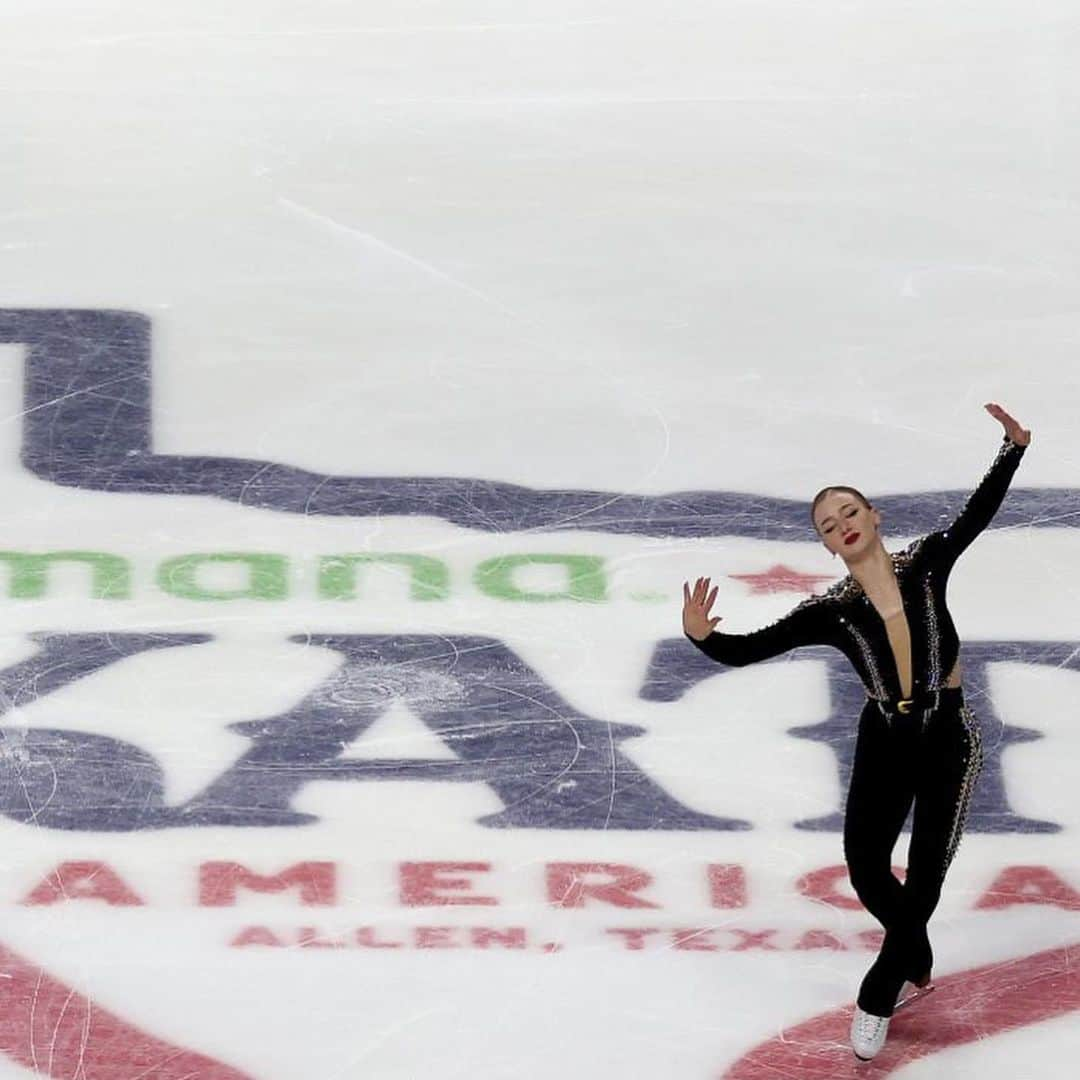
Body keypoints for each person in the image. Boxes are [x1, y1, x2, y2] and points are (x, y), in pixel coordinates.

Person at [681, 402, 1031, 1061]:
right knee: (866, 865)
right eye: (827, 525)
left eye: (848, 513)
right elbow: (751, 647)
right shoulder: (830, 613)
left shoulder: (928, 563)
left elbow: (976, 516)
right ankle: (914, 950)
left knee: (925, 873)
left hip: (949, 739)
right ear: (824, 543)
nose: (841, 526)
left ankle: (879, 992)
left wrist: (1011, 449)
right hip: (885, 739)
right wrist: (704, 638)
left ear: (874, 517)